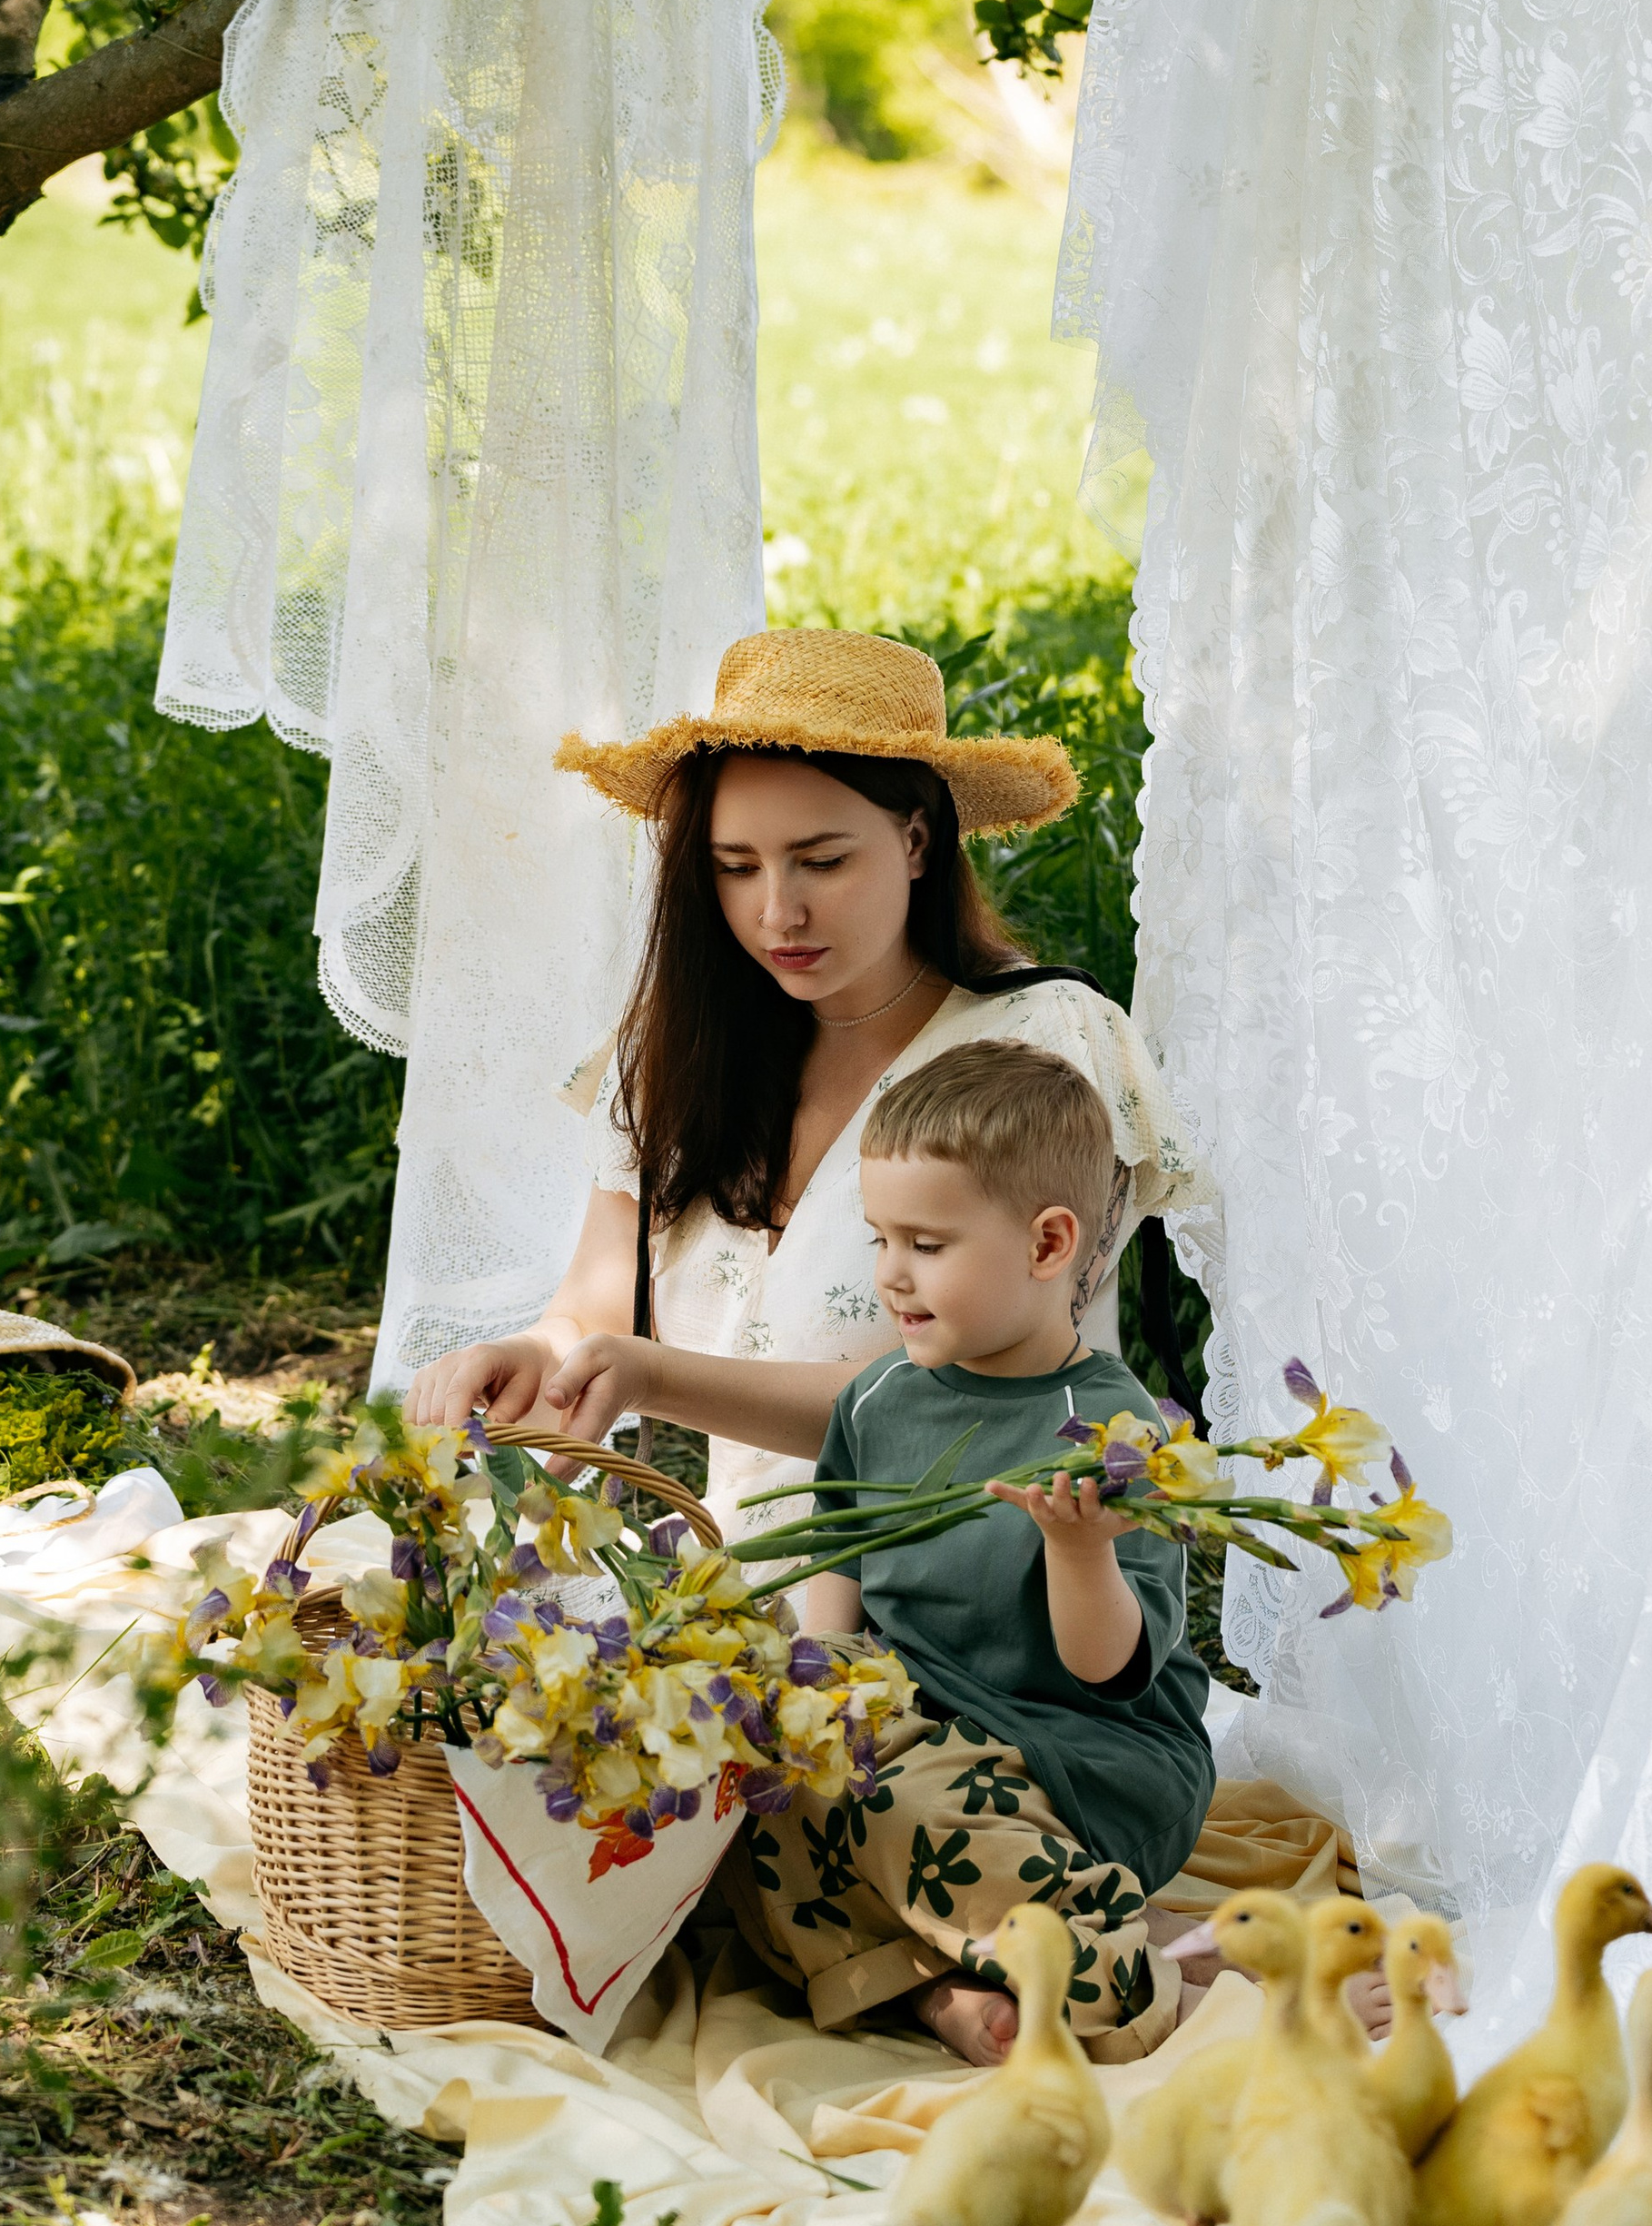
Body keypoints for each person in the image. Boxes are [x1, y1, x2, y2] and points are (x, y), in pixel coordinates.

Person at [403, 625, 1202, 1552]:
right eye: (735, 867)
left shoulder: (1045, 1043)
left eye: (821, 861)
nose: (776, 911)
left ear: (915, 842)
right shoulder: (678, 1050)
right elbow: (596, 1305)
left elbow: (980, 1400)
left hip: (1004, 1596)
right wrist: (535, 1356)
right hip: (757, 1606)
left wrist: (653, 1376)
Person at [714, 1036, 1215, 2066]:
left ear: (1046, 1245)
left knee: (906, 1809)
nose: (891, 1278)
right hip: (920, 1737)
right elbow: (845, 1549)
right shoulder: (882, 1394)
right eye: (879, 1240)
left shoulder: (1111, 1431)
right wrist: (820, 1683)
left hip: (1076, 1759)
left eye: (927, 1245)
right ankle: (941, 1989)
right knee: (760, 1804)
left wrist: (1081, 1555)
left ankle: (1148, 1979)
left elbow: (1111, 1672)